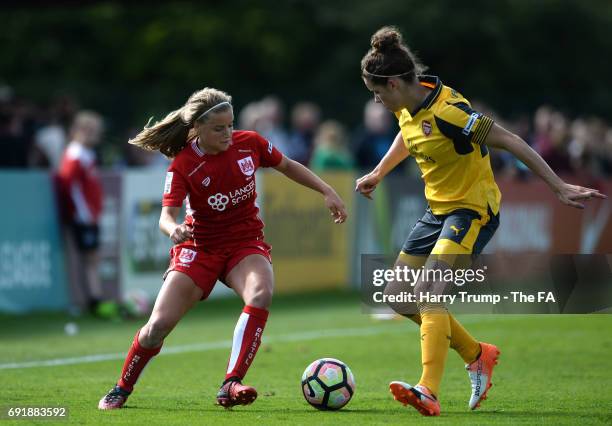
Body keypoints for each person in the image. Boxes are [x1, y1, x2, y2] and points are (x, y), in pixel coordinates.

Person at [355, 26, 606, 417]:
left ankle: (428, 390)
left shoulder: (452, 113)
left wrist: (557, 187)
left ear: (393, 83)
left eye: (377, 91)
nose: (376, 99)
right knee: (396, 297)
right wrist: (379, 172)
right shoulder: (408, 103)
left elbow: (510, 140)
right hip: (436, 210)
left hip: (471, 209)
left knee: (429, 292)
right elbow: (408, 136)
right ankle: (477, 354)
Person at [98, 88, 347, 410]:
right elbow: (165, 215)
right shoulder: (183, 164)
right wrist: (174, 229)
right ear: (197, 129)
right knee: (156, 328)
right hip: (200, 249)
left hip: (244, 243)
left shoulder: (250, 143)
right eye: (219, 128)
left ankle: (231, 383)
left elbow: (286, 165)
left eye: (230, 125)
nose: (228, 133)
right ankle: (122, 387)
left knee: (260, 295)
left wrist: (327, 190)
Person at [56, 111, 114, 316]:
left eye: (96, 132)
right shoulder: (75, 154)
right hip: (83, 217)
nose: (95, 136)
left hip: (89, 214)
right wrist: (83, 213)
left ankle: (93, 299)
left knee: (92, 257)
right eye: (90, 131)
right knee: (87, 257)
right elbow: (69, 186)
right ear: (78, 131)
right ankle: (90, 301)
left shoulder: (87, 154)